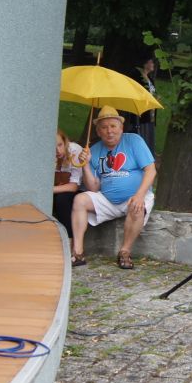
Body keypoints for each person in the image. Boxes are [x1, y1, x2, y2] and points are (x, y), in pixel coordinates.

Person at [70, 105, 156, 269]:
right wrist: (86, 165)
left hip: (134, 196)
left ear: (121, 128)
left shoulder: (134, 141)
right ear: (98, 131)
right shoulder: (94, 150)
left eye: (113, 126)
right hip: (107, 199)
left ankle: (125, 252)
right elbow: (93, 188)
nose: (109, 131)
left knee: (137, 206)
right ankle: (78, 252)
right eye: (104, 127)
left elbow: (151, 170)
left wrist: (139, 195)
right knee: (80, 200)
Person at [51, 128, 87, 233]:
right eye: (53, 147)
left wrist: (50, 189)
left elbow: (73, 187)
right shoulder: (47, 155)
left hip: (78, 190)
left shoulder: (74, 151)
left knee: (61, 200)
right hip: (59, 187)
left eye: (60, 145)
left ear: (65, 141)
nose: (58, 151)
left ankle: (70, 235)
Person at [128, 56, 158, 151]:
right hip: (141, 112)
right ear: (145, 64)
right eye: (151, 62)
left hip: (150, 113)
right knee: (140, 132)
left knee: (148, 133)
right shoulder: (137, 76)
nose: (153, 65)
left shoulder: (150, 79)